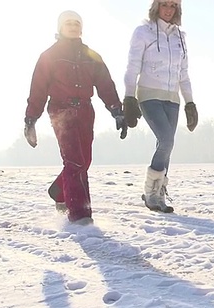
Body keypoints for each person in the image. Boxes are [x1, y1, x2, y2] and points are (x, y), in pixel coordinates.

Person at [23, 10, 127, 225]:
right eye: (68, 23)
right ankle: (80, 216)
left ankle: (59, 191)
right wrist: (31, 119)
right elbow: (38, 89)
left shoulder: (92, 56)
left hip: (86, 111)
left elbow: (106, 85)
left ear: (81, 27)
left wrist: (117, 110)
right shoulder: (49, 56)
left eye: (76, 23)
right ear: (60, 27)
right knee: (74, 161)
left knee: (85, 161)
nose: (72, 26)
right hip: (61, 111)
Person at [123, 0, 198, 213]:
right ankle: (150, 193)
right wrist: (129, 97)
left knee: (167, 146)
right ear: (156, 6)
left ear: (178, 9)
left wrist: (190, 102)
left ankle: (158, 195)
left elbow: (183, 73)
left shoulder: (179, 38)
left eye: (173, 5)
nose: (168, 9)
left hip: (172, 98)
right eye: (164, 4)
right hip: (148, 95)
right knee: (166, 139)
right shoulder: (143, 32)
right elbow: (132, 66)